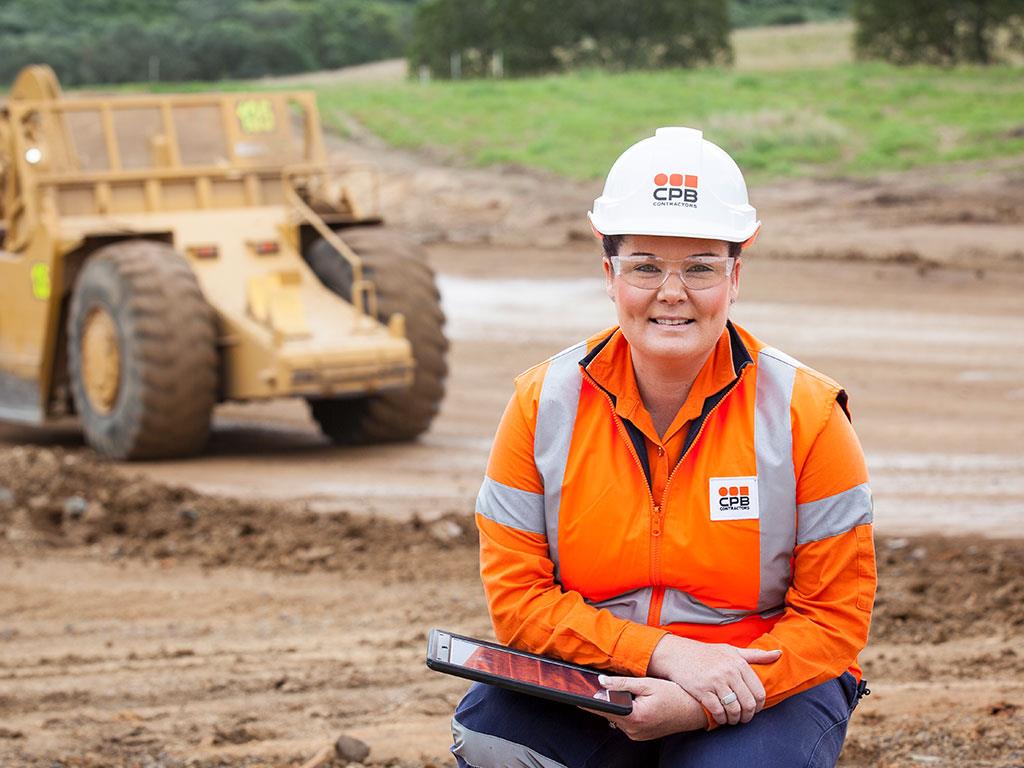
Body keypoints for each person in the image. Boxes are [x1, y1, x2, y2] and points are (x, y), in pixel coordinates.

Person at [451, 127, 876, 767]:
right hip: (594, 673)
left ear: (736, 276)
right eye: (645, 267)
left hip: (756, 681)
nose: (671, 292)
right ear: (609, 275)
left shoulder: (806, 415)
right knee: (492, 740)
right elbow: (519, 602)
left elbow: (833, 620)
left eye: (700, 267)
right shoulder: (542, 405)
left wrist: (706, 697)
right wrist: (663, 656)